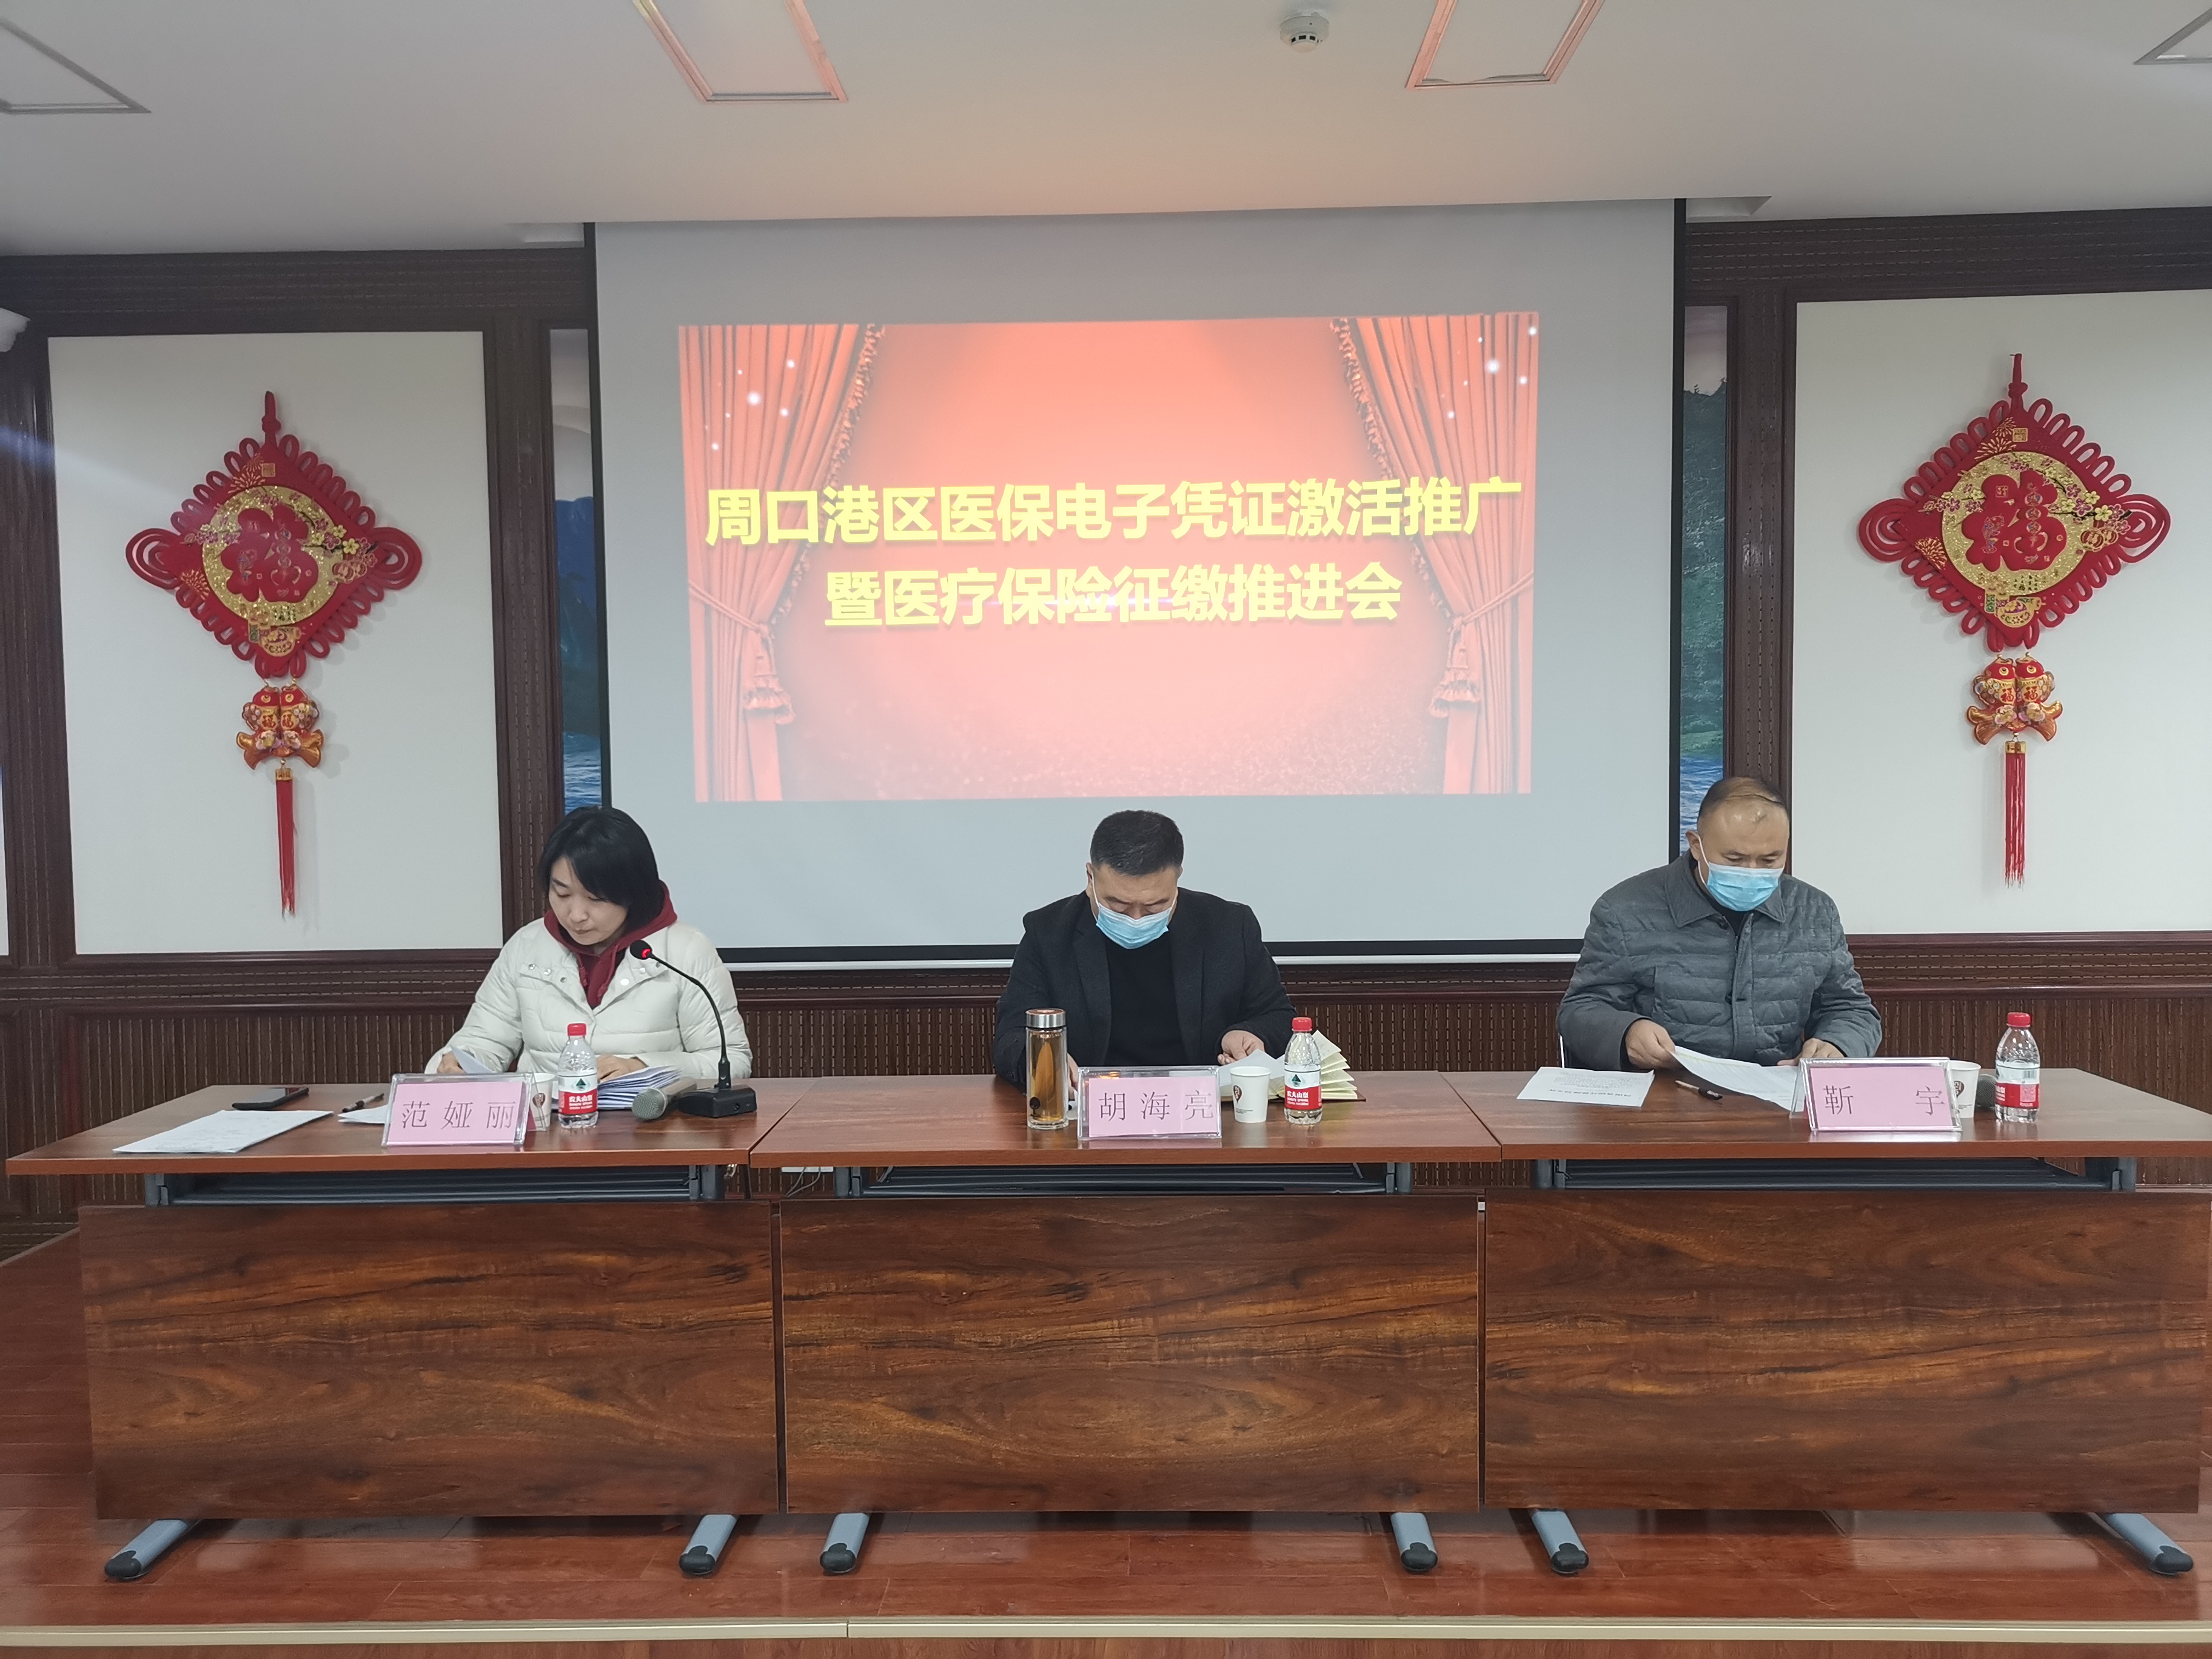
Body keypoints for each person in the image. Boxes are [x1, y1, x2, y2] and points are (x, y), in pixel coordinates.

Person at [1558, 776, 1880, 1071]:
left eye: (1770, 860)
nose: (1752, 871)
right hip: (1665, 1093)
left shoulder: (1814, 911)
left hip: (1776, 1095)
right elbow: (1580, 1009)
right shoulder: (1625, 910)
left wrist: (1838, 1044)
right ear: (1696, 845)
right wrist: (1626, 1032)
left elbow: (1851, 1009)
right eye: (1735, 859)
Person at [429, 806, 750, 1084]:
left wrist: (643, 1067)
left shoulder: (685, 950)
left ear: (633, 892)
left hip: (650, 1128)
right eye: (562, 894)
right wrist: (461, 1062)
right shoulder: (527, 946)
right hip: (547, 1126)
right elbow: (484, 1040)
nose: (576, 915)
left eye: (595, 899)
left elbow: (731, 1061)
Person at [992, 809, 1296, 1085]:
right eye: (1118, 905)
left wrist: (1250, 1035)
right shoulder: (1048, 933)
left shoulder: (1228, 927)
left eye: (1155, 906)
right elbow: (1011, 1037)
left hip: (1199, 1107)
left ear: (1177, 878)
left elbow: (1278, 1017)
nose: (1136, 919)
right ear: (1090, 878)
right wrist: (1046, 1061)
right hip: (1091, 1107)